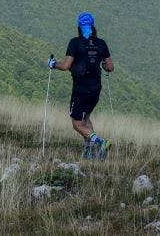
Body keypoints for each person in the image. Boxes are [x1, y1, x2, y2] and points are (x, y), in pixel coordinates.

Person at [48, 12, 114, 159]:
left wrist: (53, 64)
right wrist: (101, 63)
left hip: (81, 89)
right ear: (93, 26)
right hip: (96, 88)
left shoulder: (75, 42)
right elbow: (110, 67)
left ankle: (100, 142)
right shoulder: (101, 43)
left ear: (79, 26)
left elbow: (65, 66)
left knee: (77, 124)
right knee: (86, 119)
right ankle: (88, 152)